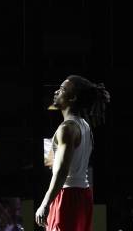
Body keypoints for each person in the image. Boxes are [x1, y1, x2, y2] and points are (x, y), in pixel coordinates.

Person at [35, 75, 111, 231]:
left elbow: (61, 173)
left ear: (73, 97)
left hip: (67, 195)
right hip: (83, 195)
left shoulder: (67, 129)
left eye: (62, 89)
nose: (56, 91)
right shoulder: (85, 125)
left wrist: (45, 203)